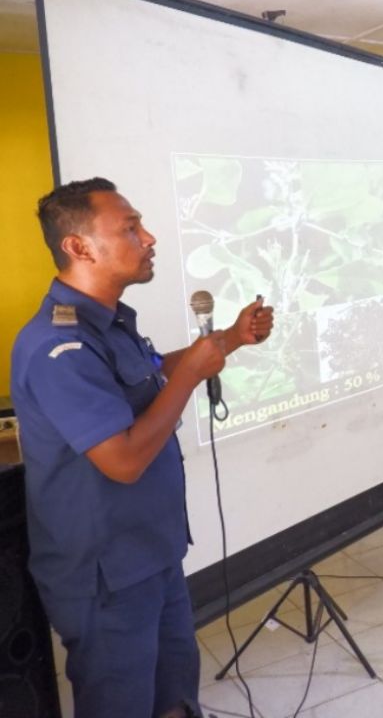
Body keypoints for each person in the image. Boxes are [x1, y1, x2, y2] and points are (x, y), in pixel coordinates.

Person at [10, 178, 275, 718]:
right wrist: (193, 377)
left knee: (175, 697)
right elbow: (124, 460)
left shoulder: (107, 325)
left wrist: (229, 338)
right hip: (104, 575)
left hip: (151, 554)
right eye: (130, 228)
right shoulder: (57, 346)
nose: (149, 237)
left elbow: (152, 375)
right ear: (79, 247)